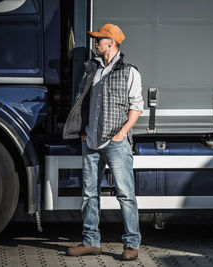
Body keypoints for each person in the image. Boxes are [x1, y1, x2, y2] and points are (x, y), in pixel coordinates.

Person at [63, 24, 143, 261]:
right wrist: (83, 132)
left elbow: (136, 106)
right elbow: (83, 102)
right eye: (95, 40)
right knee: (89, 194)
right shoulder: (92, 70)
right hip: (91, 141)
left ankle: (131, 244)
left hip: (116, 142)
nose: (95, 43)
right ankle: (91, 242)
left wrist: (123, 133)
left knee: (125, 195)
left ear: (112, 42)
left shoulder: (129, 72)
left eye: (98, 40)